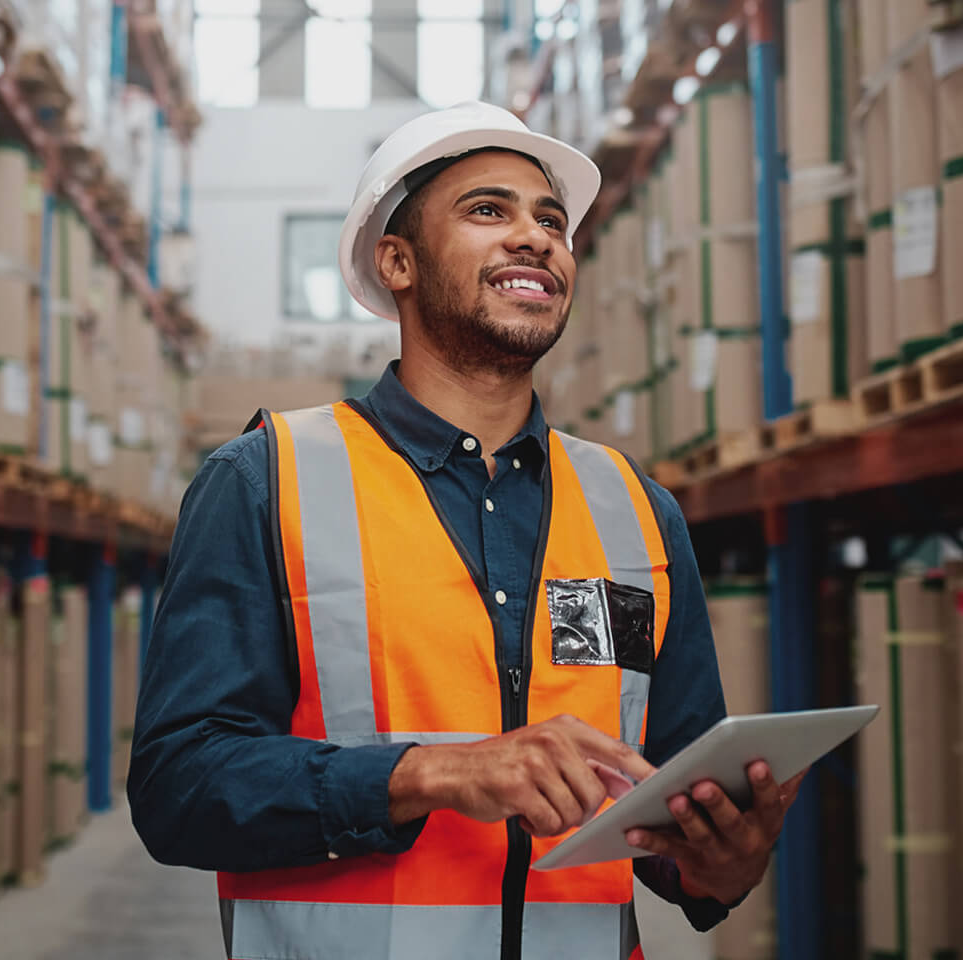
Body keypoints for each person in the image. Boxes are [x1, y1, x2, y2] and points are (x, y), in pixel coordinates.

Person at [126, 101, 803, 960]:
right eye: (490, 210)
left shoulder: (635, 509)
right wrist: (433, 773)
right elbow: (179, 789)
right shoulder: (266, 481)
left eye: (551, 220)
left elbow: (668, 810)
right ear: (397, 263)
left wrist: (725, 861)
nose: (536, 237)